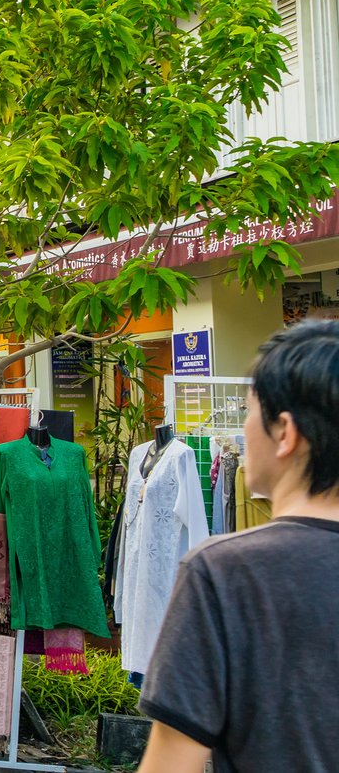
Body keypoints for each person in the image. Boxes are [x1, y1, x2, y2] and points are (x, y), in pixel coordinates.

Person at [137, 320, 339, 772]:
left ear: (285, 432)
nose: (243, 430)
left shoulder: (223, 574)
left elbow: (170, 765)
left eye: (249, 411)